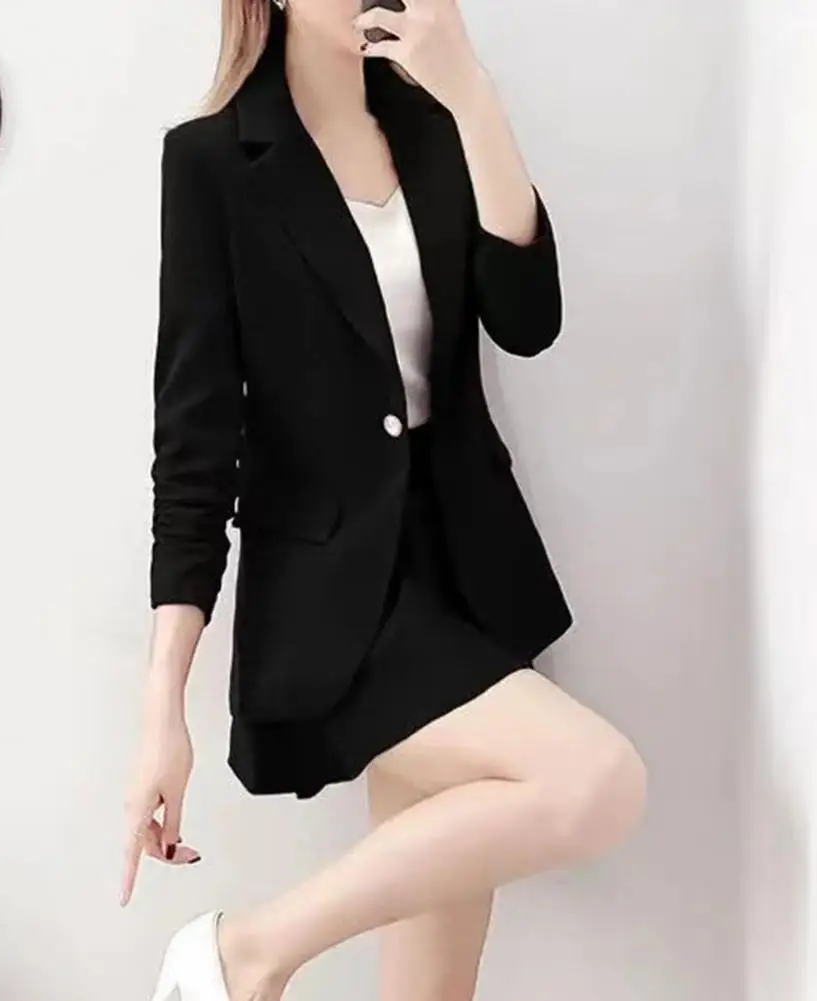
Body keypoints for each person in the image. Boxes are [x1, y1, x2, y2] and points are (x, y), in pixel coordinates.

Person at [122, 2, 647, 1000]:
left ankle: (243, 957)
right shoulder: (211, 162)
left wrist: (472, 92)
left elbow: (527, 318)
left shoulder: (438, 125)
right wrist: (163, 708)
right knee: (597, 779)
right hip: (335, 608)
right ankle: (245, 950)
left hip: (466, 574)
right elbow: (194, 450)